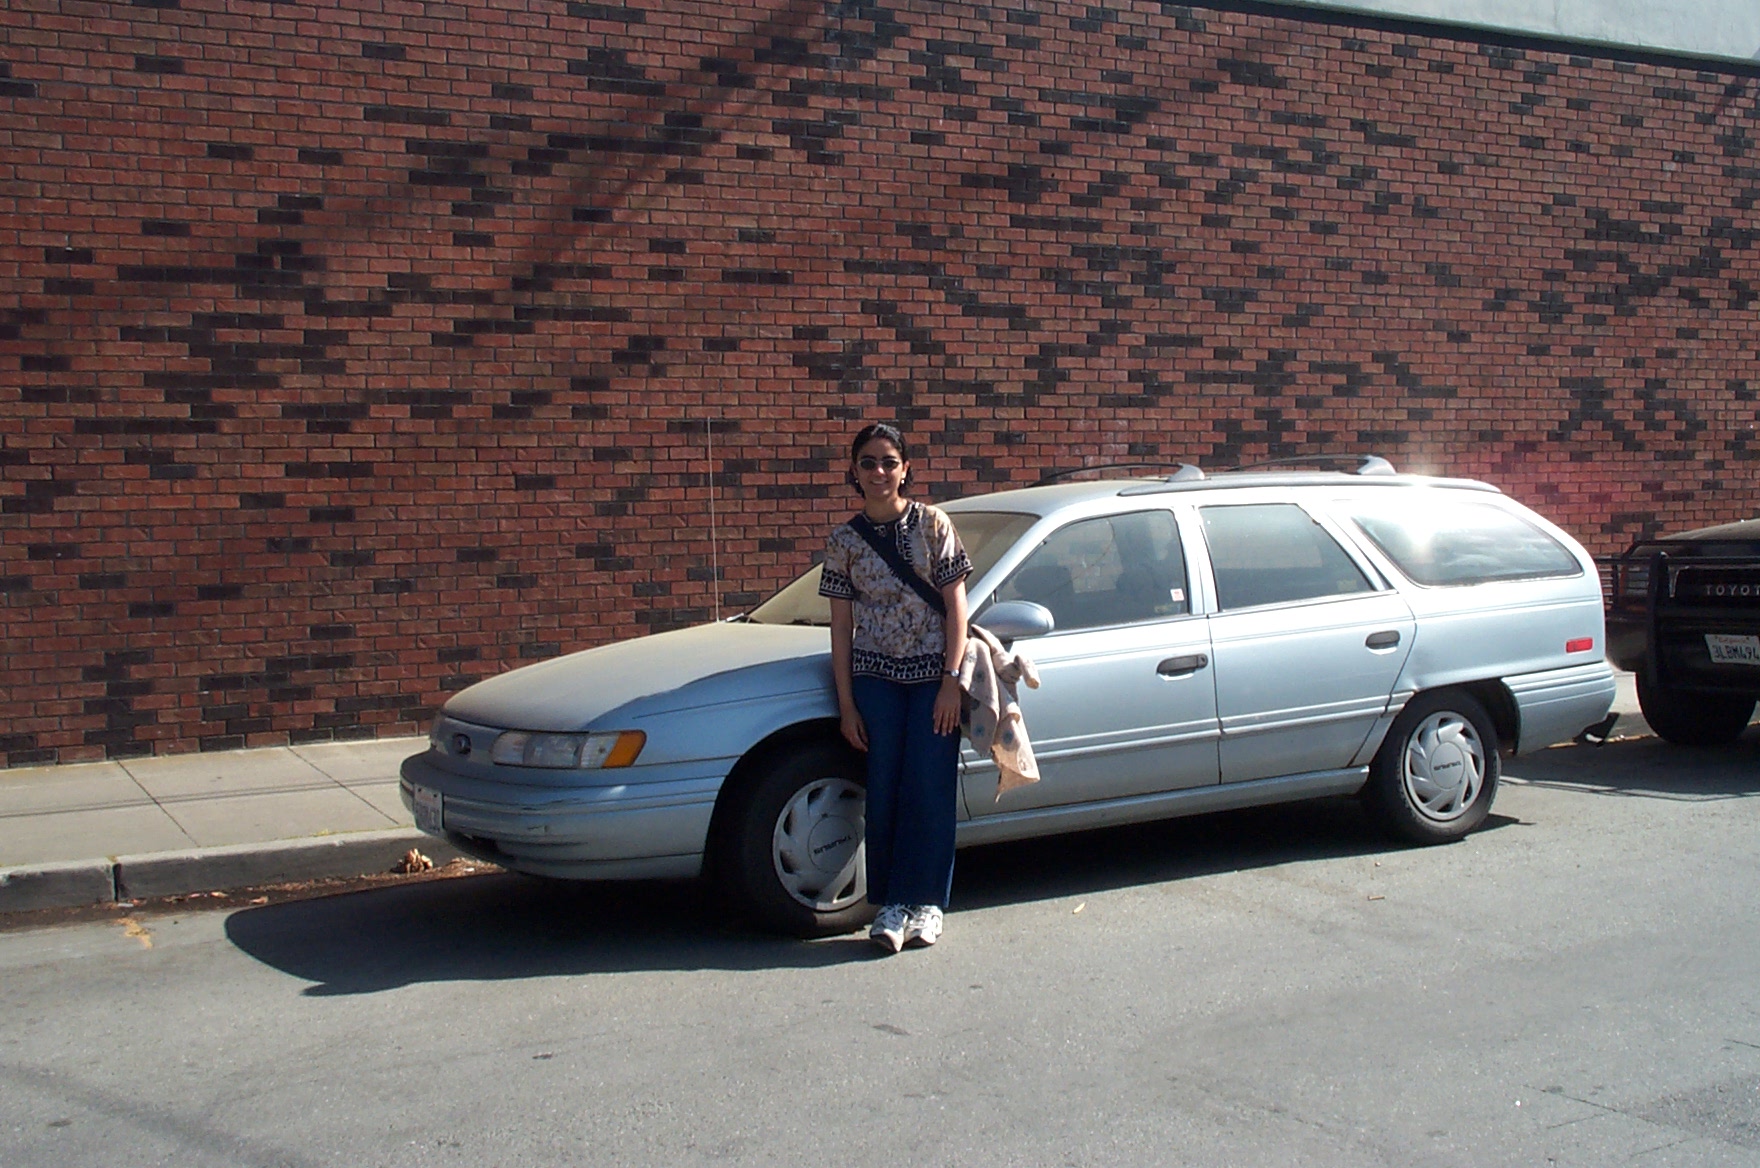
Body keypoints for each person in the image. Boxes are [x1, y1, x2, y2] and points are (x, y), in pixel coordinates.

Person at [819, 423, 972, 953]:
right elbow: (841, 626)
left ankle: (926, 903)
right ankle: (889, 903)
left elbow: (956, 606)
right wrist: (846, 704)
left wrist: (952, 681)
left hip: (933, 678)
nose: (879, 472)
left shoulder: (933, 525)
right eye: (868, 462)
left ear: (906, 468)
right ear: (854, 472)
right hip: (876, 680)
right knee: (884, 789)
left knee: (929, 787)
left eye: (889, 461)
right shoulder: (843, 541)